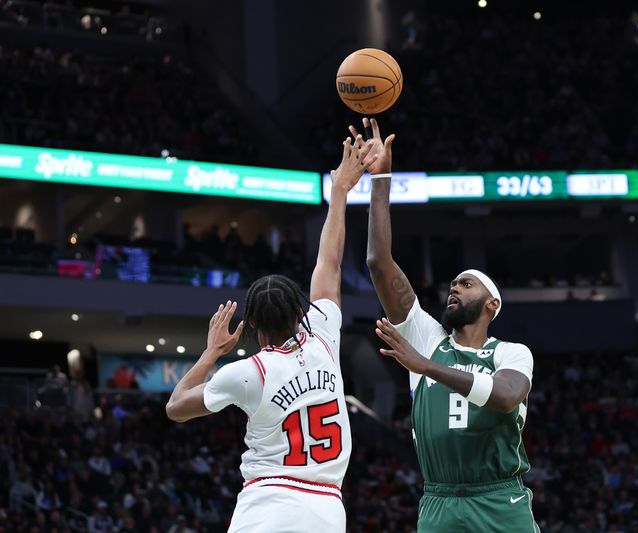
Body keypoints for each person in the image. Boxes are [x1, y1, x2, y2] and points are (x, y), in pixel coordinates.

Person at [165, 134, 378, 532]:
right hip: (327, 511)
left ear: (254, 327)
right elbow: (328, 263)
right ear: (301, 312)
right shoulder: (324, 335)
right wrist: (340, 191)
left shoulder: (249, 372)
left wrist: (212, 352)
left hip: (267, 504)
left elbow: (176, 407)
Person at [357, 117, 540, 532]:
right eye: (453, 283)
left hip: (499, 497)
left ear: (492, 304)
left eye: (466, 283)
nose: (454, 288)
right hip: (439, 498)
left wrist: (425, 368)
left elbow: (507, 397)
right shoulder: (426, 336)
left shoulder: (510, 353)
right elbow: (378, 263)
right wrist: (381, 178)